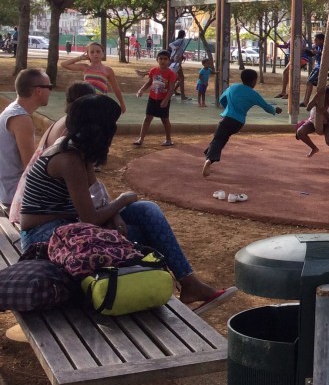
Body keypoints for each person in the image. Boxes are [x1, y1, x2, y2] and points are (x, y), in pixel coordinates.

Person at [16, 94, 235, 314]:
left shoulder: (79, 151)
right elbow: (90, 218)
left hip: (67, 226)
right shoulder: (68, 159)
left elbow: (97, 197)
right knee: (134, 234)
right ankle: (141, 290)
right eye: (112, 124)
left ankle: (188, 283)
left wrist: (114, 213)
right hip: (43, 237)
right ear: (100, 128)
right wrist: (122, 201)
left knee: (146, 210)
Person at [8, 82, 97, 226]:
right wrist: (123, 200)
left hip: (33, 207)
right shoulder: (69, 137)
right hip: (37, 215)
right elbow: (90, 210)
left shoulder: (65, 123)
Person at [202, 68, 282, 177]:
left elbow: (222, 99)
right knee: (222, 139)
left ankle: (209, 159)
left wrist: (228, 108)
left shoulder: (233, 87)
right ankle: (209, 156)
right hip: (238, 123)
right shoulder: (254, 94)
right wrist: (275, 110)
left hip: (226, 118)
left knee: (218, 139)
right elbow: (266, 107)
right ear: (254, 81)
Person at [0, 68, 52, 211]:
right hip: (15, 196)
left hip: (6, 190)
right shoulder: (21, 119)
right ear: (38, 90)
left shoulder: (12, 110)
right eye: (49, 87)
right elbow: (30, 167)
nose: (51, 92)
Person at [59, 41, 127, 114]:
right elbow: (64, 64)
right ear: (87, 54)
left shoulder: (108, 70)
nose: (95, 54)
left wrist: (122, 103)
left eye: (98, 52)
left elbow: (116, 88)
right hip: (87, 101)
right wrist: (79, 58)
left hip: (101, 102)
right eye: (92, 52)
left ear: (103, 54)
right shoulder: (85, 67)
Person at [133, 49, 178, 147]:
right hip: (153, 98)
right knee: (148, 118)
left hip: (163, 99)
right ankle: (141, 139)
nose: (163, 61)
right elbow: (149, 82)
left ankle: (168, 139)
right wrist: (141, 90)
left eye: (165, 59)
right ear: (157, 60)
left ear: (169, 61)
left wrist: (166, 100)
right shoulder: (153, 70)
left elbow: (171, 89)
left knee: (165, 120)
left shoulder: (171, 74)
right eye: (160, 58)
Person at [296, 84, 329, 158]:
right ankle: (314, 148)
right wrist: (317, 95)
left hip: (326, 125)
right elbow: (308, 108)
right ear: (326, 95)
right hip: (312, 123)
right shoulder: (318, 101)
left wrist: (325, 113)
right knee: (300, 132)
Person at [301, 33, 327, 109]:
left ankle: (306, 102)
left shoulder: (324, 47)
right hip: (317, 66)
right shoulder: (317, 46)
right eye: (314, 40)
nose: (314, 41)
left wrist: (316, 52)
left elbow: (321, 53)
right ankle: (305, 101)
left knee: (310, 82)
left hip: (320, 67)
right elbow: (312, 54)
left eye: (316, 40)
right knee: (309, 82)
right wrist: (305, 50)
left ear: (322, 41)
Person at [168, 29, 190, 101]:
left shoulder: (182, 41)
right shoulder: (180, 40)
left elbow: (180, 50)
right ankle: (182, 96)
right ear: (183, 34)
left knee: (178, 77)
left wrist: (182, 55)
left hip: (177, 58)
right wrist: (175, 48)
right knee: (180, 77)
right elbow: (171, 44)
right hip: (176, 59)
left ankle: (174, 92)